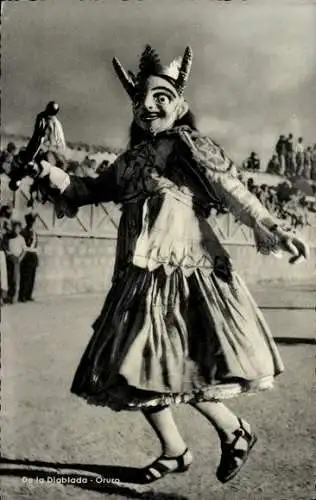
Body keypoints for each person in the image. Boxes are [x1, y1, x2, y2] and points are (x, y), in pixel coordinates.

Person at [29, 45, 309, 485]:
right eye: (140, 98)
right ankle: (177, 450)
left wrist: (271, 224)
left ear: (180, 104)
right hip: (139, 279)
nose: (147, 105)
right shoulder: (130, 162)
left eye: (160, 96)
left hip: (186, 272)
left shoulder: (186, 146)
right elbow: (85, 191)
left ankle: (233, 430)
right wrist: (48, 172)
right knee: (133, 366)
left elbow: (231, 187)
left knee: (181, 362)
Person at [4, 220, 27, 304]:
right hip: (9, 259)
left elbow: (24, 250)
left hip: (16, 260)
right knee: (8, 278)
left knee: (15, 278)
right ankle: (7, 297)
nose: (16, 230)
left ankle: (13, 297)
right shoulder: (9, 238)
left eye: (18, 228)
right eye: (15, 228)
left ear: (20, 229)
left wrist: (20, 258)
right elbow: (6, 248)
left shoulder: (21, 238)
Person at [18, 213, 39, 302]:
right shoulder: (23, 232)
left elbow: (35, 245)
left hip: (33, 256)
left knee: (32, 277)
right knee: (25, 277)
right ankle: (22, 296)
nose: (32, 223)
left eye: (33, 221)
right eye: (30, 221)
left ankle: (28, 295)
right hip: (26, 256)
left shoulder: (34, 233)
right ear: (27, 222)